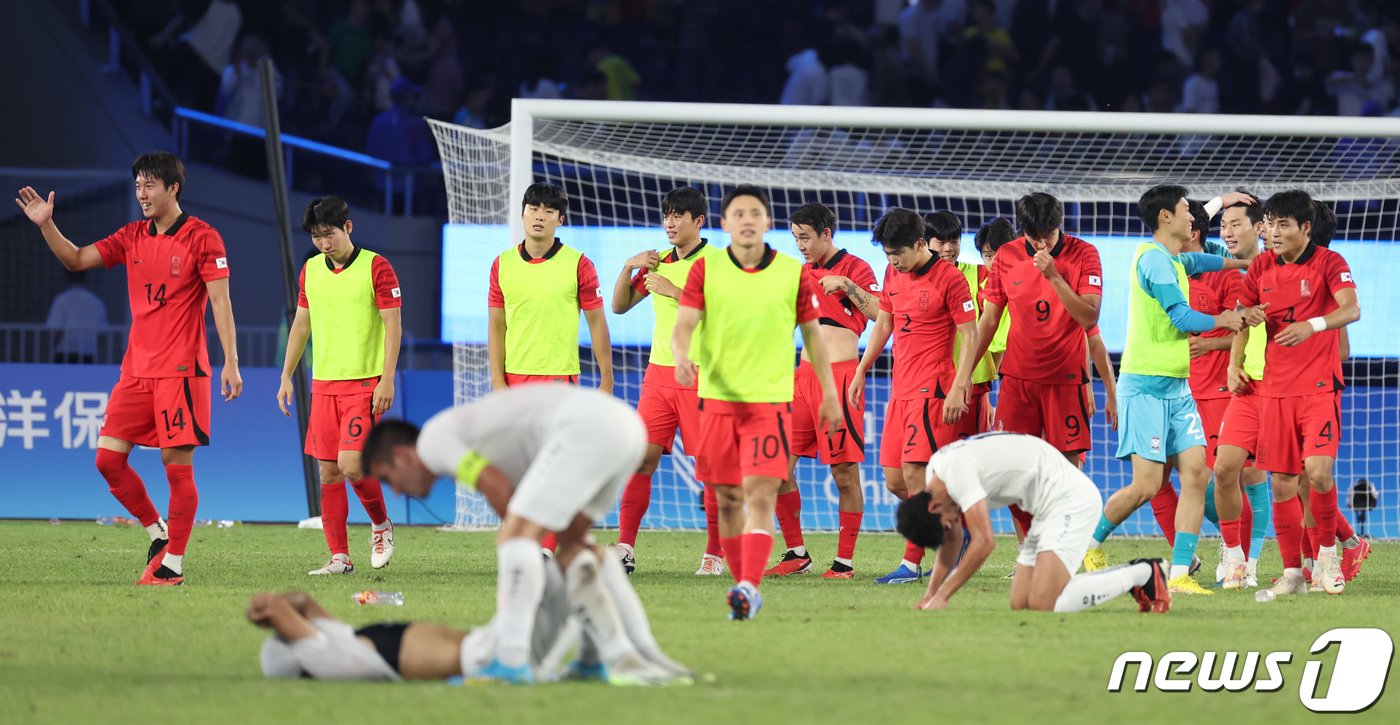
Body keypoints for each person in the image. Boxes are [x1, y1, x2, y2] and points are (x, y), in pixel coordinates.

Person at [14, 152, 242, 585]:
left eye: (150, 186)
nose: (142, 194)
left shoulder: (203, 238)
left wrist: (230, 361)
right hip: (136, 372)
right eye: (137, 186)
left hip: (181, 372)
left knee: (177, 467)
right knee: (107, 460)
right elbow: (76, 259)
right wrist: (47, 224)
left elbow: (220, 302)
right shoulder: (132, 236)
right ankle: (157, 531)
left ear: (173, 188)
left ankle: (173, 564)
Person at [362, 386, 689, 685]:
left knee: (515, 539)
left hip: (587, 431)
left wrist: (522, 542)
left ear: (402, 456)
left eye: (387, 478)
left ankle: (511, 662)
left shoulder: (431, 443)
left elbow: (495, 485)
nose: (396, 491)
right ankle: (617, 657)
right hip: (624, 428)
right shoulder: (462, 436)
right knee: (577, 550)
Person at [670, 185, 841, 620]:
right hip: (717, 402)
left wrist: (830, 394)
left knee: (761, 493)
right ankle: (740, 579)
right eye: (738, 213)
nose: (747, 219)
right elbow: (684, 323)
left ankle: (748, 585)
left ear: (766, 223)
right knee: (728, 498)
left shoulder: (791, 273)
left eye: (755, 213)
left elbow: (814, 339)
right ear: (725, 224)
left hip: (769, 404)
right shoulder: (705, 272)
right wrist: (680, 355)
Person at [1082, 185, 1247, 596]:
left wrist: (1242, 261)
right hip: (1144, 388)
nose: (1192, 217)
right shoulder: (1153, 262)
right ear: (1165, 218)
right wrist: (1224, 320)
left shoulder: (1174, 258)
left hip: (1176, 388)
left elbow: (1199, 258)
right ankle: (1089, 546)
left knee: (1196, 473)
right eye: (1184, 210)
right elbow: (1180, 316)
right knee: (1146, 486)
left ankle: (1179, 574)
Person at [1234, 190, 1360, 596]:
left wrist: (1313, 325)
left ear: (1306, 228)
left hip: (1319, 388)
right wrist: (1237, 352)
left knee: (1318, 473)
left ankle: (1327, 558)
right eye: (1270, 223)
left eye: (1282, 225)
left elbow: (1351, 309)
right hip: (1274, 391)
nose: (1273, 232)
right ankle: (1293, 574)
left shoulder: (1329, 262)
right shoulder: (1260, 268)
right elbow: (1240, 316)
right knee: (1284, 484)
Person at [896, 433, 1171, 614]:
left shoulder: (956, 472)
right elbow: (952, 542)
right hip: (1045, 511)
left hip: (1070, 501)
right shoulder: (937, 475)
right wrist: (930, 595)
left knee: (1043, 603)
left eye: (946, 522)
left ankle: (1144, 573)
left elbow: (983, 542)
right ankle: (1139, 575)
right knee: (1021, 603)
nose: (954, 523)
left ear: (932, 506)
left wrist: (944, 596)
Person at [851, 208, 979, 585]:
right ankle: (955, 525)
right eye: (888, 256)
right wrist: (862, 369)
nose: (893, 262)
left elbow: (970, 334)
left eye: (898, 255)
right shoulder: (894, 272)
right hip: (900, 389)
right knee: (895, 479)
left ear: (920, 244)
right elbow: (885, 322)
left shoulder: (950, 279)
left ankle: (912, 563)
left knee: (915, 473)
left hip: (934, 389)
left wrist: (960, 384)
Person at [277, 196, 400, 576]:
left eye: (329, 234)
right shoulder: (311, 271)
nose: (324, 244)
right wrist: (285, 375)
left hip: (363, 384)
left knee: (351, 464)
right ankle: (340, 558)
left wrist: (386, 378)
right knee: (328, 473)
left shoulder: (376, 267)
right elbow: (301, 325)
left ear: (348, 227)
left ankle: (381, 525)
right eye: (316, 237)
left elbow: (393, 326)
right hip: (323, 385)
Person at [610, 187, 724, 576]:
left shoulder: (719, 262)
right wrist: (629, 267)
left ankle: (714, 554)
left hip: (701, 376)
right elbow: (620, 306)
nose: (670, 223)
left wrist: (675, 291)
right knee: (640, 459)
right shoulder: (656, 262)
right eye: (667, 216)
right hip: (658, 375)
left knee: (710, 469)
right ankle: (625, 547)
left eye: (679, 216)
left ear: (699, 222)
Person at [767, 203, 881, 579]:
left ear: (826, 234)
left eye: (805, 237)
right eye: (795, 237)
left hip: (840, 378)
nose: (799, 244)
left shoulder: (857, 268)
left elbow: (885, 314)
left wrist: (848, 287)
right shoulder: (801, 272)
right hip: (803, 378)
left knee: (844, 474)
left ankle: (844, 563)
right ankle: (796, 553)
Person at [972, 193, 1103, 464]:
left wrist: (1053, 276)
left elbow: (1089, 318)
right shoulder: (1007, 255)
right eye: (1035, 237)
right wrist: (964, 374)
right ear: (1023, 230)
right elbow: (989, 320)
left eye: (1049, 235)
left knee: (1068, 469)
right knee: (1012, 468)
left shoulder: (1085, 253)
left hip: (1065, 379)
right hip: (1018, 380)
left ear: (1061, 223)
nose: (1042, 244)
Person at [250, 588, 572, 682]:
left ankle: (546, 663)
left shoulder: (333, 637)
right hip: (407, 656)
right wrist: (262, 609)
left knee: (513, 636)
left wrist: (275, 607)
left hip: (404, 646)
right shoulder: (324, 657)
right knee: (495, 647)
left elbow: (302, 601)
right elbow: (276, 608)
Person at [972, 218, 1014, 369]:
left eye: (1001, 253)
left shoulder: (1029, 282)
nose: (996, 261)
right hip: (992, 354)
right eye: (989, 256)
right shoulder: (980, 287)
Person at [46, 270, 108, 364]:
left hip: (65, 352)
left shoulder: (61, 300)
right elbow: (102, 333)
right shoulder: (96, 301)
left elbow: (56, 329)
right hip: (88, 352)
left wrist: (52, 348)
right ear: (86, 278)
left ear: (66, 278)